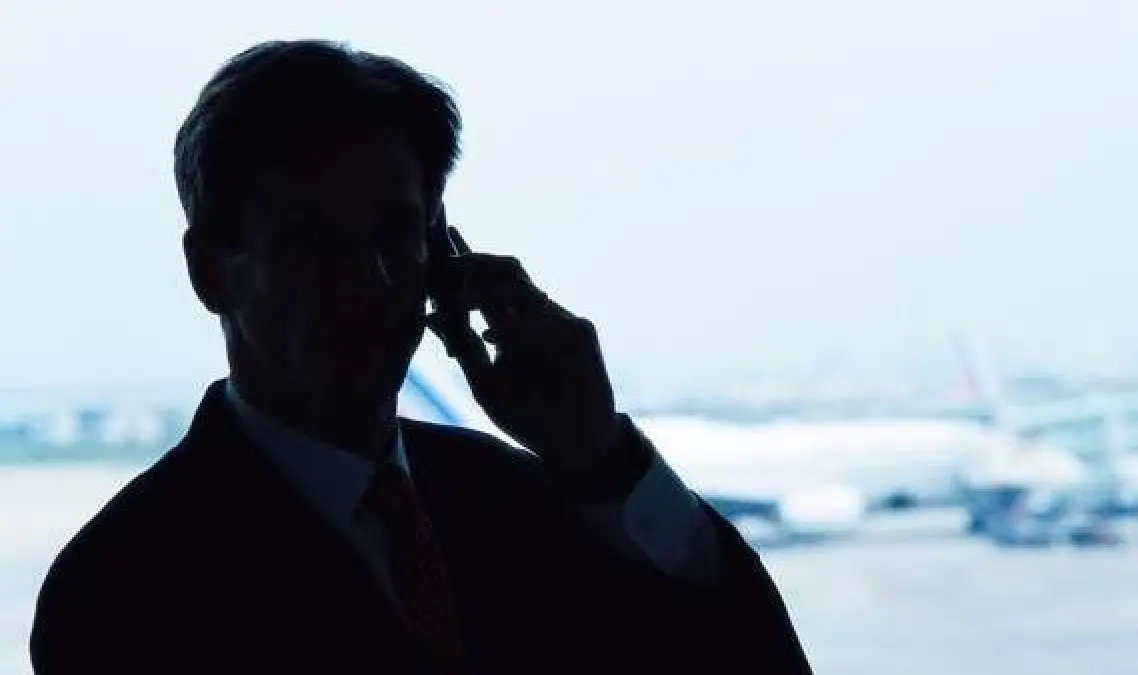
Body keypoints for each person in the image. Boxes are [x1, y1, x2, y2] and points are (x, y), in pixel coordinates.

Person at [29, 40, 811, 675]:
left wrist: (603, 456)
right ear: (209, 270)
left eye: (395, 233)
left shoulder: (526, 503)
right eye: (311, 240)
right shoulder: (122, 585)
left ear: (442, 255)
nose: (367, 280)